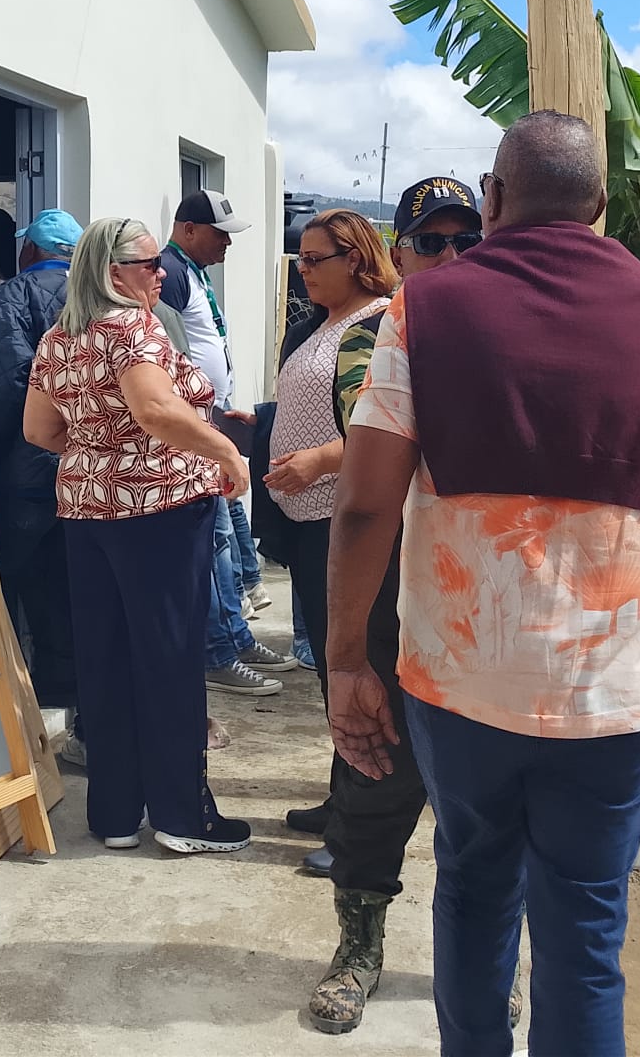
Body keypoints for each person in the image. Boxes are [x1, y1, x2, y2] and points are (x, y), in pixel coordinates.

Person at [327, 112, 640, 1057]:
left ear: (493, 201)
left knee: (471, 891)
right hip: (615, 699)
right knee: (585, 939)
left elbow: (367, 504)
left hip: (464, 690)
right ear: (601, 204)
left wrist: (346, 660)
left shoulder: (429, 310)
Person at [299, 178, 491, 1037]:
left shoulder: (502, 328)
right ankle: (358, 949)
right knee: (373, 779)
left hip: (479, 601)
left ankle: (480, 959)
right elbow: (384, 454)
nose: (451, 257)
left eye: (465, 241)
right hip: (390, 596)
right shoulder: (368, 339)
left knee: (483, 800)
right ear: (400, 253)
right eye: (431, 242)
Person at [25, 217, 254, 855]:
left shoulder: (59, 338)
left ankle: (117, 814)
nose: (161, 273)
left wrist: (101, 452)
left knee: (106, 660)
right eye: (151, 264)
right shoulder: (134, 327)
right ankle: (184, 817)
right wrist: (226, 454)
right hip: (160, 513)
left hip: (86, 512)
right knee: (169, 659)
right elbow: (155, 409)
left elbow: (39, 431)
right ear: (112, 272)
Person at [262, 211, 397, 826]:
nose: (303, 270)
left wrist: (317, 459)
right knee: (329, 662)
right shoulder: (321, 325)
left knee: (354, 661)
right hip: (310, 516)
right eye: (300, 259)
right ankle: (344, 795)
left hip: (351, 519)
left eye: (316, 259)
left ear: (357, 258)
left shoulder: (378, 327)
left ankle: (361, 814)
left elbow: (387, 430)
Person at [160, 189, 293, 696]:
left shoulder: (189, 272)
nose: (227, 245)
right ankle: (217, 651)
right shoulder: (169, 275)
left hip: (211, 426)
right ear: (189, 229)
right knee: (215, 540)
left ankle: (233, 637)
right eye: (221, 235)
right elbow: (169, 353)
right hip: (195, 432)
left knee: (230, 537)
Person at [0, 209, 86, 752]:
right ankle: (69, 705)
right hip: (85, 471)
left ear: (29, 251)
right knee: (69, 589)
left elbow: (6, 386)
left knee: (8, 589)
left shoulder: (14, 297)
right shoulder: (96, 298)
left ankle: (7, 722)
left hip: (26, 471)